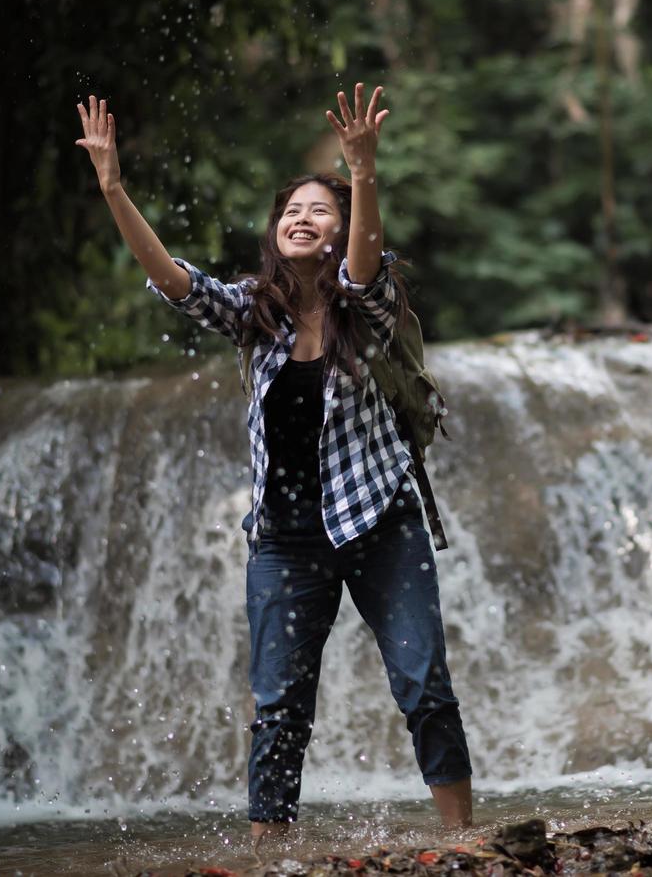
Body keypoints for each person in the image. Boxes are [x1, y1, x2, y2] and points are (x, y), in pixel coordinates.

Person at [74, 84, 474, 841]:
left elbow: (360, 269)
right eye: (290, 212)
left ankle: (463, 838)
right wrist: (114, 188)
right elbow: (171, 280)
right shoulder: (255, 315)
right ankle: (270, 855)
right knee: (279, 706)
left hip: (379, 521)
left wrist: (360, 174)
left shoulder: (370, 306)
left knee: (423, 684)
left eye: (317, 211)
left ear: (342, 230)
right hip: (286, 541)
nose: (300, 218)